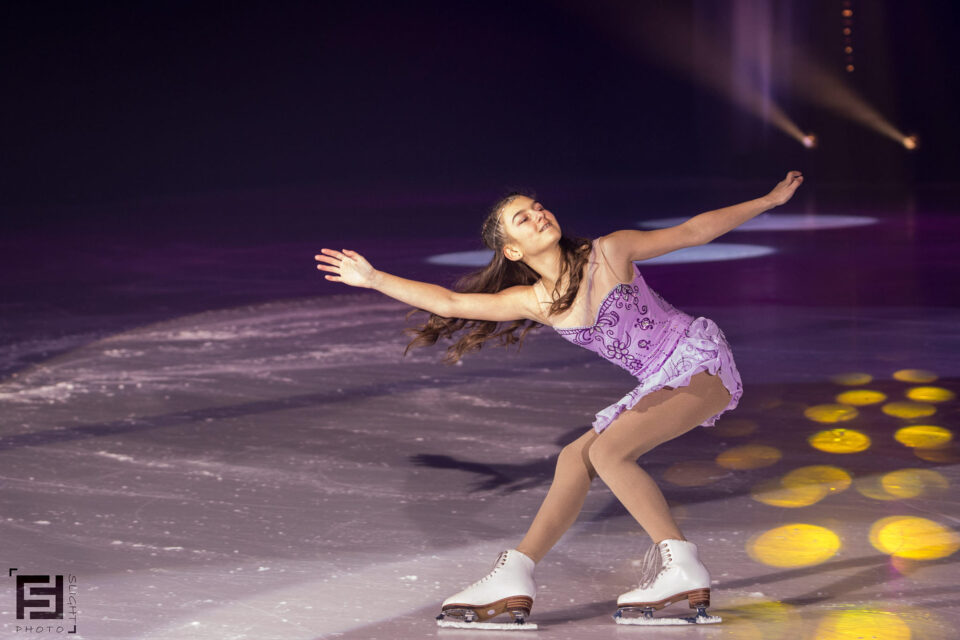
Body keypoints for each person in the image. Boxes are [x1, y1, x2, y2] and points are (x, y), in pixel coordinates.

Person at [314, 171, 804, 628]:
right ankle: (517, 573)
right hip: (658, 380)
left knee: (610, 452)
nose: (539, 215)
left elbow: (694, 231)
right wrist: (374, 278)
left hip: (697, 361)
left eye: (538, 207)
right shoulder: (536, 301)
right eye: (522, 219)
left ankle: (681, 564)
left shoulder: (610, 251)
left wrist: (769, 199)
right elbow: (451, 303)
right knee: (576, 457)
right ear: (510, 250)